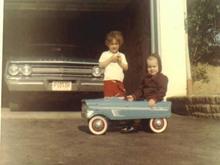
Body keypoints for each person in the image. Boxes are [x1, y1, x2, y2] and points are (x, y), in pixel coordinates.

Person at [121, 54, 168, 133]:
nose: (152, 69)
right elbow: (140, 90)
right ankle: (131, 124)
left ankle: (143, 124)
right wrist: (134, 96)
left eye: (154, 66)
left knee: (147, 121)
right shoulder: (145, 78)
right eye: (149, 67)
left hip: (156, 101)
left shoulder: (162, 78)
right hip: (145, 100)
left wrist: (154, 99)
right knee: (134, 107)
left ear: (159, 66)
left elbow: (162, 92)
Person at [99, 31, 128, 98]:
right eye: (112, 44)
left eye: (116, 44)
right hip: (108, 82)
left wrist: (120, 62)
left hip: (119, 83)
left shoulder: (121, 55)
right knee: (108, 101)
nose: (114, 46)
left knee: (120, 100)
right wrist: (110, 59)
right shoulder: (105, 54)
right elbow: (101, 65)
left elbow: (126, 68)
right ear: (108, 44)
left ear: (119, 44)